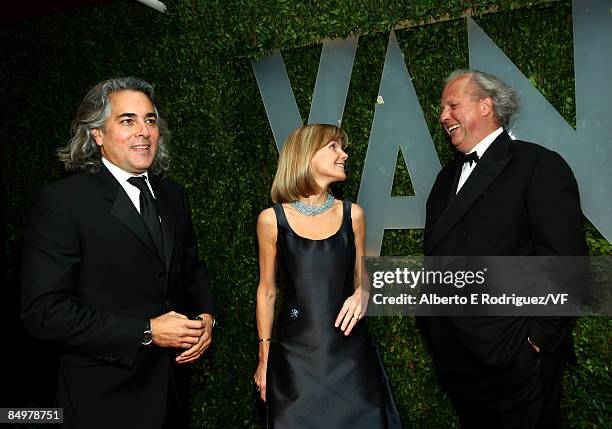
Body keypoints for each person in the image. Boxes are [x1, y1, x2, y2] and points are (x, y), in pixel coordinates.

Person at [20, 77, 214, 429]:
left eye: (150, 120)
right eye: (127, 121)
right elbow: (44, 312)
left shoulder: (173, 196)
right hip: (102, 400)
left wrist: (205, 317)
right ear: (97, 134)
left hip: (171, 394)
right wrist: (146, 331)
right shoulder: (63, 202)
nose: (144, 131)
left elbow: (191, 268)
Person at [419, 69, 588, 428]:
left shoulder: (537, 165)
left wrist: (534, 341)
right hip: (456, 362)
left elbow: (567, 262)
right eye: (442, 108)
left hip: (512, 363)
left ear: (485, 105)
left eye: (452, 104)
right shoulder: (445, 178)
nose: (443, 115)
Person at [254, 124, 402, 428]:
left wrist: (362, 293)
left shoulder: (353, 215)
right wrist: (264, 355)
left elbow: (364, 278)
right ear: (307, 155)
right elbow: (267, 291)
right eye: (333, 147)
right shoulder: (271, 220)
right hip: (295, 359)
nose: (343, 154)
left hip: (350, 355)